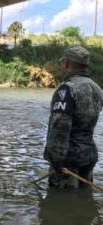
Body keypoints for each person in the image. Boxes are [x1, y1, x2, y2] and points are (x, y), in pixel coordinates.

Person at [44, 46, 103, 189]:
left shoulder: (67, 89)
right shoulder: (97, 88)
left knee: (60, 204)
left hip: (68, 159)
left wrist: (56, 161)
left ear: (67, 64)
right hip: (88, 155)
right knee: (84, 200)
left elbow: (60, 128)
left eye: (62, 63)